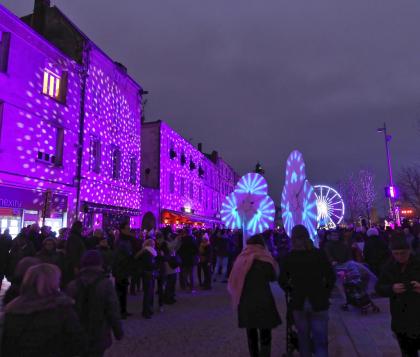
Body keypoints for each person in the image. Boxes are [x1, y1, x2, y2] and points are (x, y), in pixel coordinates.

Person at [1, 263, 87, 357]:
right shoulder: (62, 311)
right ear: (54, 282)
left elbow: (6, 345)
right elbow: (79, 344)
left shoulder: (12, 309)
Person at [279, 225, 336, 357]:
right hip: (319, 300)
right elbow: (331, 277)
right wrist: (326, 292)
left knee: (303, 340)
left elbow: (282, 280)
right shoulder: (319, 254)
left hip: (299, 300)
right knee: (320, 340)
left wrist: (290, 290)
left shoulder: (289, 257)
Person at [228, 234, 281, 357]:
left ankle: (254, 354)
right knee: (265, 331)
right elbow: (273, 277)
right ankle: (265, 354)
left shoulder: (241, 258)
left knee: (250, 331)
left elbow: (234, 276)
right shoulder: (265, 258)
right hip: (263, 298)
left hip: (245, 298)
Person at [67, 250, 124, 357]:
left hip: (78, 332)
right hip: (99, 332)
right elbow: (113, 310)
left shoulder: (72, 285)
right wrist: (118, 331)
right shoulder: (106, 284)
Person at [376, 233, 420, 356]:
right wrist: (392, 288)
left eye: (403, 253)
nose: (400, 257)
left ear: (409, 251)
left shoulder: (418, 263)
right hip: (401, 319)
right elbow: (379, 287)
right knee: (408, 353)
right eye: (396, 254)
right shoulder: (389, 266)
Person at [112, 221, 134, 319]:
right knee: (120, 291)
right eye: (127, 228)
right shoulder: (121, 241)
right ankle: (120, 312)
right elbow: (121, 256)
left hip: (124, 268)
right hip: (120, 269)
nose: (129, 229)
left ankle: (123, 310)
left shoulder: (126, 240)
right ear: (122, 230)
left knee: (123, 291)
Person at [136, 238, 157, 319]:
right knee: (148, 293)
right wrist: (155, 266)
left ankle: (148, 309)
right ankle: (146, 311)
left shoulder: (147, 252)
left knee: (149, 292)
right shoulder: (148, 253)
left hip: (147, 274)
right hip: (148, 274)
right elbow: (149, 264)